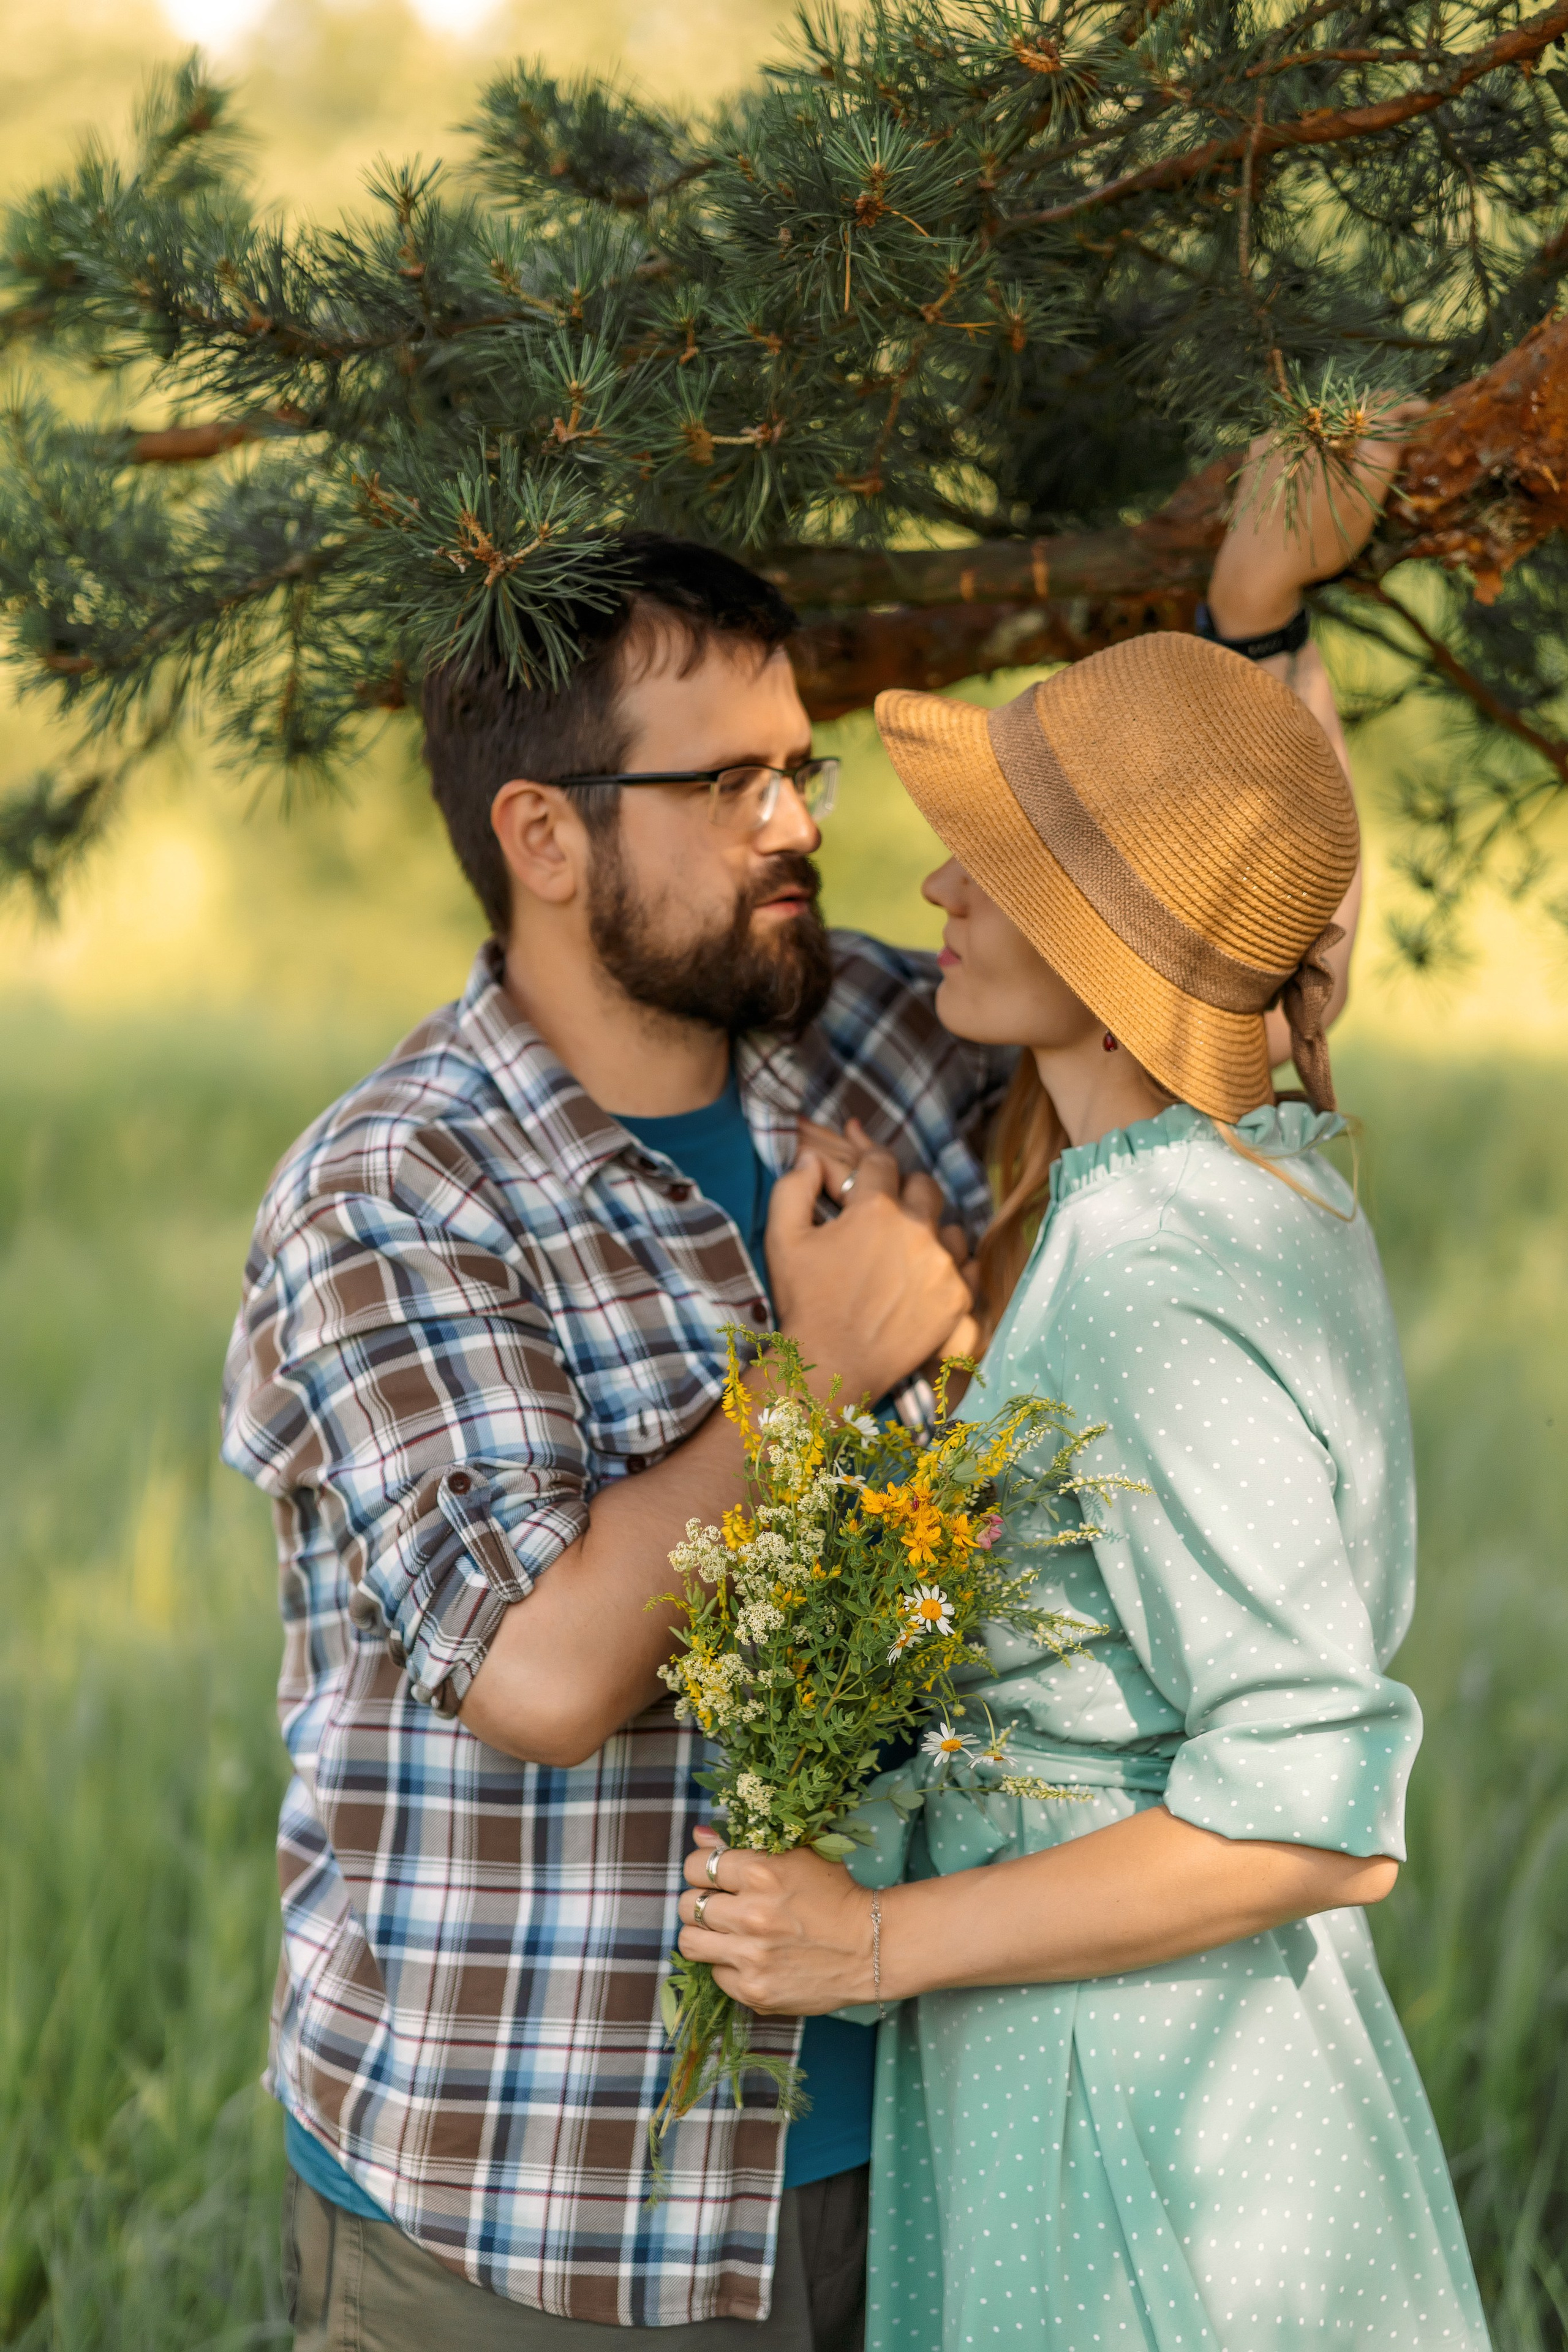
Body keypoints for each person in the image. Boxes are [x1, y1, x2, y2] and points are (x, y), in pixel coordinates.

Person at [221, 428, 1387, 2345]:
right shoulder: (396, 1193)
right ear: (543, 836)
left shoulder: (881, 1033)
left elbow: (1234, 954)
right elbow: (539, 1674)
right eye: (728, 783)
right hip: (535, 2225)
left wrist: (1253, 631)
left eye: (799, 767)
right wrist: (813, 1381)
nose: (795, 823)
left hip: (930, 2165)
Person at [672, 464, 1491, 2346]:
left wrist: (871, 1940)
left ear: (1121, 951)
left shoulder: (1152, 1270)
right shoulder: (1256, 1170)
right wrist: (1257, 620)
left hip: (1139, 2140)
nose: (940, 885)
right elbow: (1260, 872)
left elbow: (1313, 1811)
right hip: (1127, 2082)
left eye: (1008, 861)